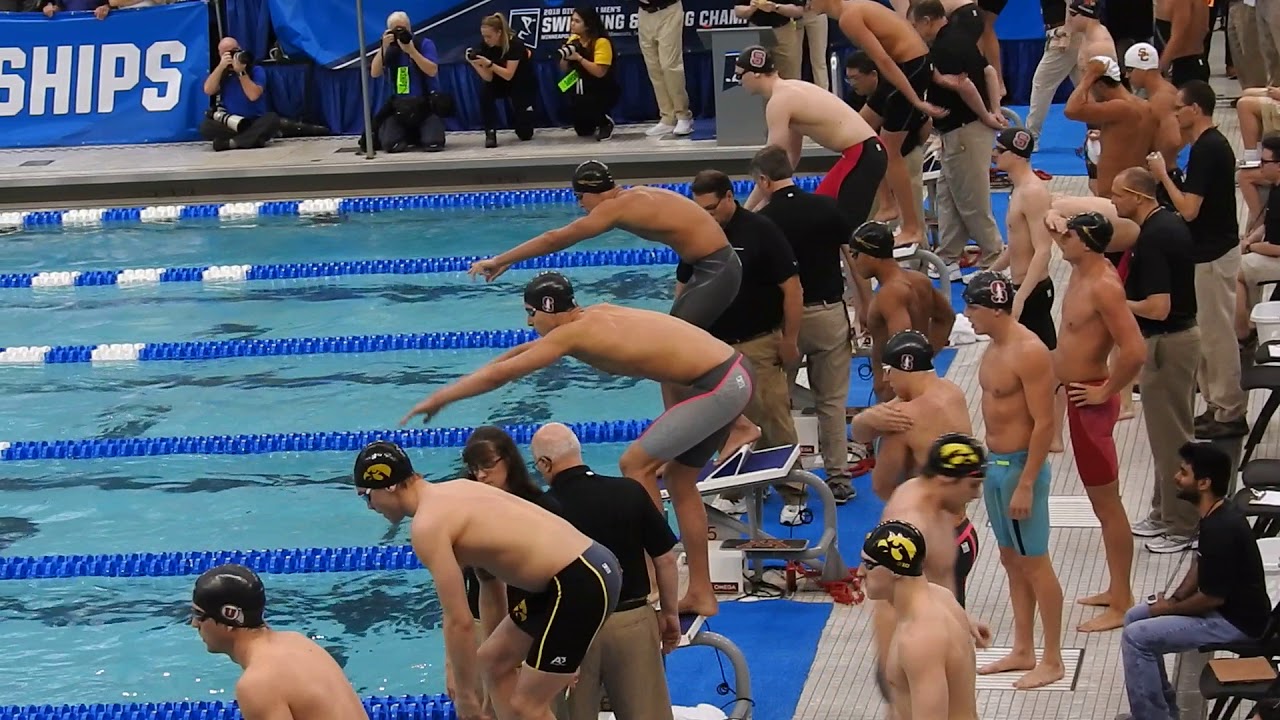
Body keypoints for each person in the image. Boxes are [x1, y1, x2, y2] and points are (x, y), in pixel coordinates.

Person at [400, 273, 757, 618]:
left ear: (549, 308)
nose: (529, 323)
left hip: (721, 385)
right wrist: (475, 372)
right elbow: (516, 356)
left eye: (531, 313)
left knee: (636, 465)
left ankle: (647, 579)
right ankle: (701, 593)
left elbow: (503, 375)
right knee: (679, 480)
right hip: (732, 374)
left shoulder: (572, 335)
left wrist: (442, 398)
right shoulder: (593, 315)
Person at [353, 441, 621, 720]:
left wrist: (467, 697)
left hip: (579, 582)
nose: (370, 507)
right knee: (492, 662)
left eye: (366, 496)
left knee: (527, 706)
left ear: (389, 485)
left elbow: (459, 621)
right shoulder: (454, 491)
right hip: (579, 572)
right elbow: (491, 585)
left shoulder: (428, 525)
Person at [468, 161, 740, 333]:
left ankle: (732, 424)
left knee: (677, 345)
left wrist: (501, 259)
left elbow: (556, 238)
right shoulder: (634, 196)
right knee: (676, 346)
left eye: (579, 197)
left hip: (716, 269)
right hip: (710, 267)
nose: (580, 205)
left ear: (589, 191)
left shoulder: (615, 208)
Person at [533, 423, 680, 720]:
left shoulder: (541, 509)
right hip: (632, 622)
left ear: (544, 464)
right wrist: (669, 614)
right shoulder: (629, 492)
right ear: (579, 452)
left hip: (572, 631)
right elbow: (665, 559)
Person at [1043, 209, 1146, 633]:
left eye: (1067, 236)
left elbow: (1135, 349)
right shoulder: (1083, 267)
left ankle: (1122, 600)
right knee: (1103, 505)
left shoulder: (1103, 286)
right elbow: (1055, 226)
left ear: (1084, 243)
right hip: (1077, 398)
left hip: (1091, 402)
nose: (1060, 240)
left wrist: (1107, 392)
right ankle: (1115, 588)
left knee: (1108, 506)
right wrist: (1055, 216)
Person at [963, 271, 1067, 690]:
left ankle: (1053, 658)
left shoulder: (1029, 351)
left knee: (1036, 562)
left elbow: (1045, 423)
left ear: (993, 307)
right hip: (997, 466)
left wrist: (1026, 482)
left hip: (1023, 467)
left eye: (971, 307)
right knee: (1011, 559)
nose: (966, 315)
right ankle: (1023, 648)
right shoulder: (994, 348)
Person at [689, 170, 810, 523]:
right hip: (715, 348)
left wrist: (790, 339)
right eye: (700, 209)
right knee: (727, 421)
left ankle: (795, 493)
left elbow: (792, 288)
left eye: (711, 208)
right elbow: (685, 287)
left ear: (729, 197)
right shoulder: (697, 234)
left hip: (758, 341)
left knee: (773, 418)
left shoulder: (760, 230)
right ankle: (734, 490)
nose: (706, 215)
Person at [1120, 442, 1272, 720]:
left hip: (1236, 623)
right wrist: (1174, 599)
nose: (1176, 477)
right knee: (1134, 617)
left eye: (1183, 473)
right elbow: (1200, 564)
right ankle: (1161, 712)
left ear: (1203, 483)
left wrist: (1169, 610)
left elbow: (1211, 598)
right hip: (1221, 609)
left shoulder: (1223, 528)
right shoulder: (1215, 512)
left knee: (1137, 637)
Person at [748, 145, 860, 504]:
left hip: (784, 325)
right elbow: (853, 262)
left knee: (775, 404)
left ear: (764, 180)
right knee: (831, 402)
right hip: (829, 315)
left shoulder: (763, 222)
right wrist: (865, 308)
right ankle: (839, 479)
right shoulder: (827, 207)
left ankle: (779, 477)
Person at [1148, 80, 1248, 441]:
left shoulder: (1209, 148)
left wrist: (1163, 175)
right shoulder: (1202, 147)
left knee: (1217, 336)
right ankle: (1215, 405)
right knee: (1205, 333)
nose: (1174, 113)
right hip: (1203, 252)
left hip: (1214, 254)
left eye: (1179, 107)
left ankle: (1231, 410)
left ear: (1194, 109)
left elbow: (1189, 209)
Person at [1111, 167, 1203, 556]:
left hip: (1169, 342)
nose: (1114, 202)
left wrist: (1115, 303)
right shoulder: (1164, 224)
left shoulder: (1153, 239)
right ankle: (1163, 511)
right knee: (1162, 438)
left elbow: (1159, 307)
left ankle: (1185, 524)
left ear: (1137, 195)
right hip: (1172, 340)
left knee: (1174, 440)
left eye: (1118, 195)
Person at [808, 0, 946, 248]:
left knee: (890, 151)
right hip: (909, 65)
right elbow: (902, 36)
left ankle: (912, 227)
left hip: (908, 69)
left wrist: (915, 99)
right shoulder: (854, 8)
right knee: (861, 132)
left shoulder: (849, 17)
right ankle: (887, 203)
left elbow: (882, 60)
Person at [867, 435, 991, 705]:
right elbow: (888, 602)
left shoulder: (938, 501)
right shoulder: (911, 522)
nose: (976, 494)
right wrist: (896, 675)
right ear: (946, 479)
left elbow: (937, 582)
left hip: (940, 634)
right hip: (919, 654)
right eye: (972, 485)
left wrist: (962, 620)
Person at [454, 427, 564, 714]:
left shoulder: (543, 508)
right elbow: (454, 591)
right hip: (481, 627)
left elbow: (566, 583)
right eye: (474, 468)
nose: (480, 475)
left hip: (533, 629)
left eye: (488, 465)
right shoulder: (464, 512)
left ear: (510, 461)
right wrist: (452, 664)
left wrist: (568, 651)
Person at [734, 46, 888, 231]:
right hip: (862, 153)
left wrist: (747, 211)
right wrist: (768, 201)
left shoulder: (779, 102)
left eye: (739, 75)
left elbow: (771, 165)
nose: (739, 81)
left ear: (755, 74)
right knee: (819, 215)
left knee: (842, 229)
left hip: (862, 154)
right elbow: (791, 157)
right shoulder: (790, 90)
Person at [190, 564, 368, 720]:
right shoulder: (298, 642)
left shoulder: (256, 683)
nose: (194, 624)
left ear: (229, 617)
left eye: (199, 615)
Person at [910, 0, 1007, 281]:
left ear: (928, 20)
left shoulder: (943, 48)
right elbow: (987, 71)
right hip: (959, 130)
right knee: (948, 194)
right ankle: (948, 256)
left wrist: (987, 116)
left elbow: (965, 85)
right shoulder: (960, 36)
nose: (915, 32)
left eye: (915, 25)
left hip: (966, 129)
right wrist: (995, 109)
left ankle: (994, 256)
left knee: (971, 197)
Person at [862, 518, 984, 720]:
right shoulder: (941, 597)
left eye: (869, 565)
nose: (860, 572)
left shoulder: (919, 639)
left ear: (895, 570)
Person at [990, 128, 1065, 452]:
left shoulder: (1032, 192)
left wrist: (1020, 298)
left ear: (1013, 154)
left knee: (1049, 364)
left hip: (1032, 291)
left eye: (998, 150)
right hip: (1021, 286)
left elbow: (1043, 250)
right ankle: (1037, 426)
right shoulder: (1018, 190)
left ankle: (1056, 436)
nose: (994, 155)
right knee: (1027, 363)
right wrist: (990, 272)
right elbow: (1016, 245)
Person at [850, 221, 956, 402]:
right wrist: (926, 359)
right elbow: (947, 318)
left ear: (871, 255)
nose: (853, 261)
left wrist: (892, 386)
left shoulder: (889, 294)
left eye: (855, 254)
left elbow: (903, 343)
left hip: (898, 391)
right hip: (920, 382)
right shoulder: (919, 280)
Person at [1063, 56, 1156, 198]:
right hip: (1132, 190)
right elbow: (1129, 140)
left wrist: (1089, 76)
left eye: (1091, 89)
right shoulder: (1144, 106)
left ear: (1100, 85)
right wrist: (1105, 135)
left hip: (1115, 196)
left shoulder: (1120, 107)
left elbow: (1071, 111)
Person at [367, 12, 446, 153]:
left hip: (424, 105)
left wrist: (412, 52)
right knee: (390, 145)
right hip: (399, 108)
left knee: (434, 144)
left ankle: (422, 135)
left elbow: (432, 70)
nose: (400, 33)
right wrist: (383, 48)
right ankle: (406, 136)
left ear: (409, 28)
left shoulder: (423, 44)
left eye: (403, 29)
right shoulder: (390, 50)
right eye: (396, 30)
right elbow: (374, 73)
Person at [468, 13, 537, 149]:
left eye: (489, 36)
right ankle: (490, 132)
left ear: (499, 33)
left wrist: (489, 64)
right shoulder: (485, 46)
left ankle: (522, 123)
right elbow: (488, 77)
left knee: (525, 134)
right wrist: (474, 63)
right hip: (499, 82)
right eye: (484, 36)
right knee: (485, 92)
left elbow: (509, 75)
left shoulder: (515, 45)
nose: (486, 39)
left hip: (520, 82)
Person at [1236, 134, 1280, 346]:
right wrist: (1249, 239)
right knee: (1242, 259)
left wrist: (1252, 246)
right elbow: (1268, 224)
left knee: (1232, 271)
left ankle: (1242, 332)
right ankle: (1250, 320)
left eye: (1265, 162)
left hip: (1276, 255)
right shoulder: (1276, 186)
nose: (1260, 166)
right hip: (1270, 250)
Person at [559, 6, 619, 141]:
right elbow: (564, 69)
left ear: (587, 25)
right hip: (578, 82)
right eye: (571, 20)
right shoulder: (573, 39)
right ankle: (588, 118)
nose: (572, 24)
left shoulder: (601, 42)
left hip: (602, 86)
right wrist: (565, 57)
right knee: (583, 130)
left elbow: (600, 72)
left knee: (588, 98)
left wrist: (579, 58)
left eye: (577, 21)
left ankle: (605, 121)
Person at [1123, 43, 1182, 169]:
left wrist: (1156, 167)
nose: (1127, 75)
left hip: (1164, 172)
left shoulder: (1162, 98)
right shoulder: (1160, 93)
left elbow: (1173, 140)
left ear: (1142, 69)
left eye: (1129, 69)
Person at [732, 0, 806, 79]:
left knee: (789, 72)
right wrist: (751, 8)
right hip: (756, 29)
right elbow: (738, 11)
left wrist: (776, 7)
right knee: (753, 73)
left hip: (783, 29)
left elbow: (798, 10)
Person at [1154, 0, 1211, 86]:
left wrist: (1160, 69)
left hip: (1186, 66)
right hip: (1188, 63)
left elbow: (1178, 36)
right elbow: (1205, 29)